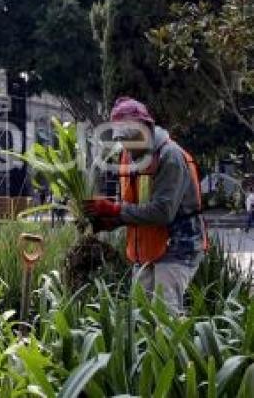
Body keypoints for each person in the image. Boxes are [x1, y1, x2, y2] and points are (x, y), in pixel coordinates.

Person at [84, 97, 207, 314]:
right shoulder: (128, 156)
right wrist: (111, 221)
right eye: (123, 139)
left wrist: (115, 210)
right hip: (146, 248)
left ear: (146, 126)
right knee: (140, 314)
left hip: (178, 245)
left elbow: (162, 212)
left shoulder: (170, 156)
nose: (128, 145)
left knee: (165, 314)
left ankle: (174, 349)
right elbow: (136, 205)